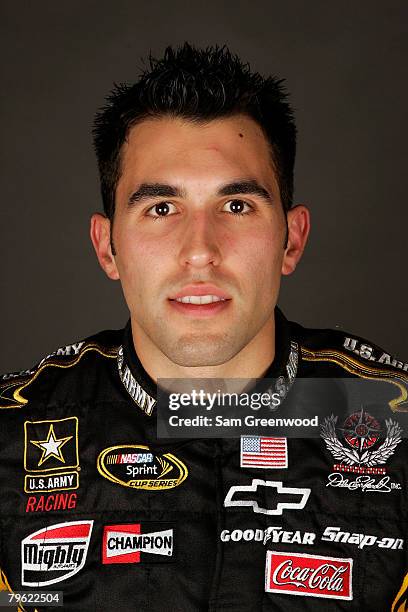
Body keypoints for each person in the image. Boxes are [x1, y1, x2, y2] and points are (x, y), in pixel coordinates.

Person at [0, 43, 406, 611]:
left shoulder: (395, 415)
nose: (200, 252)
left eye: (237, 205)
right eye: (161, 208)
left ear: (291, 239)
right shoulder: (13, 430)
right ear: (106, 245)